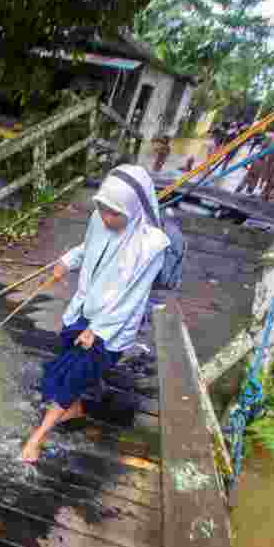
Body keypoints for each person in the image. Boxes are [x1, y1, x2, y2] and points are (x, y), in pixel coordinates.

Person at [19, 165, 170, 463]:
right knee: (64, 362)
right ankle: (72, 409)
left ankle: (36, 439)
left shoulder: (151, 246)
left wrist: (98, 330)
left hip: (110, 327)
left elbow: (132, 296)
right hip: (83, 310)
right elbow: (88, 249)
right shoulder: (99, 220)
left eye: (114, 214)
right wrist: (66, 261)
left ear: (134, 210)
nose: (105, 218)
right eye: (102, 209)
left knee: (72, 378)